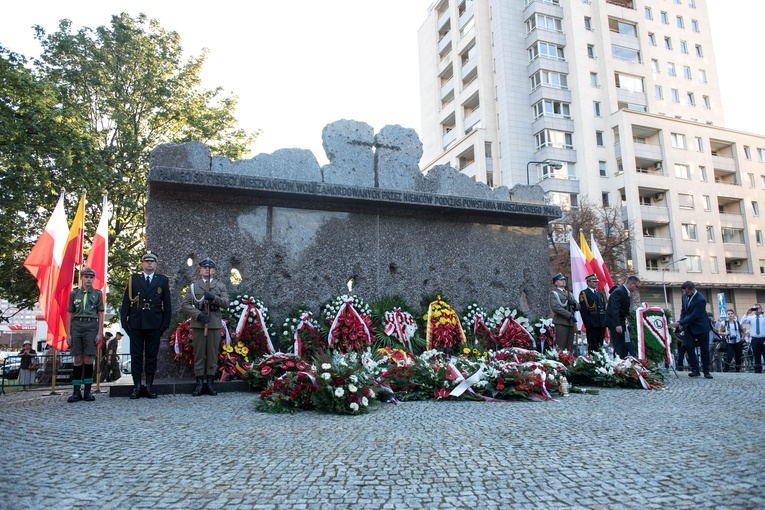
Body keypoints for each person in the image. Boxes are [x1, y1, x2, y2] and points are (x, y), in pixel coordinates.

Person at [120, 252, 172, 399]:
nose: (149, 264)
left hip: (155, 322)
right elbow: (125, 303)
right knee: (136, 355)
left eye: (152, 261)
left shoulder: (162, 280)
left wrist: (164, 324)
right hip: (136, 322)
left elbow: (167, 304)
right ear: (142, 264)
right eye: (146, 261)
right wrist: (125, 322)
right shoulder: (133, 279)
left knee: (151, 356)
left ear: (156, 264)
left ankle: (149, 385)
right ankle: (137, 386)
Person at [181, 258, 229, 396]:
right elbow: (185, 305)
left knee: (212, 355)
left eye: (210, 268)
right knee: (199, 354)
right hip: (199, 324)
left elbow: (226, 303)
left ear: (214, 271)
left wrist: (214, 297)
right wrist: (198, 315)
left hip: (213, 324)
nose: (207, 270)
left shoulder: (220, 286)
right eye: (204, 267)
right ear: (200, 270)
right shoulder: (193, 287)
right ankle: (200, 382)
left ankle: (210, 383)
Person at [66, 266, 105, 402]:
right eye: (86, 277)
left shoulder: (97, 294)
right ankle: (76, 391)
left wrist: (100, 332)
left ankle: (88, 391)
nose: (89, 279)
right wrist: (68, 333)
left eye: (91, 277)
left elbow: (100, 313)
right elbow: (70, 314)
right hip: (77, 325)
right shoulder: (74, 294)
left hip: (91, 325)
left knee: (88, 358)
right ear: (81, 278)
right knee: (77, 359)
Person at [669, 281, 712, 379]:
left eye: (687, 292)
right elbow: (683, 310)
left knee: (704, 349)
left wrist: (680, 322)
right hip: (689, 326)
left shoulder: (701, 299)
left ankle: (706, 370)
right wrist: (681, 323)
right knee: (689, 347)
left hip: (701, 326)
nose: (685, 294)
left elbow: (694, 315)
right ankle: (695, 369)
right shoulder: (684, 296)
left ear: (693, 290)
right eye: (684, 292)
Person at [605, 276, 640, 358]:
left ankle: (622, 362)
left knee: (623, 345)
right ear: (631, 284)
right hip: (616, 323)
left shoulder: (624, 292)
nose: (636, 289)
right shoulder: (619, 292)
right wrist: (617, 324)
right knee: (619, 345)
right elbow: (615, 309)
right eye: (636, 286)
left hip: (621, 321)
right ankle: (618, 364)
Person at [549, 273, 578, 353]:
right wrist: (569, 315)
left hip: (570, 323)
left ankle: (569, 361)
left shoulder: (569, 294)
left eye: (564, 279)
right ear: (556, 283)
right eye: (561, 280)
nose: (564, 281)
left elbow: (578, 306)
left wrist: (574, 304)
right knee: (561, 346)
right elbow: (556, 307)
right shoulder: (554, 294)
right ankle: (561, 362)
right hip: (561, 321)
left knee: (569, 347)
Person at [578, 274, 607, 353]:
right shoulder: (584, 293)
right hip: (592, 322)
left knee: (600, 343)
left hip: (601, 322)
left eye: (596, 281)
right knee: (592, 344)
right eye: (593, 281)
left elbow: (603, 308)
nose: (596, 283)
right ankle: (593, 360)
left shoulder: (600, 294)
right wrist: (587, 323)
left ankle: (600, 359)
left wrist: (605, 321)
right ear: (588, 282)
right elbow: (583, 310)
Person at [740, 303, 765, 373]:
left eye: (758, 308)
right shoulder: (751, 318)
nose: (756, 310)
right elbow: (742, 321)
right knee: (756, 356)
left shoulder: (764, 316)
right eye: (755, 309)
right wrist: (747, 313)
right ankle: (758, 371)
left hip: (763, 338)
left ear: (761, 309)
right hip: (755, 339)